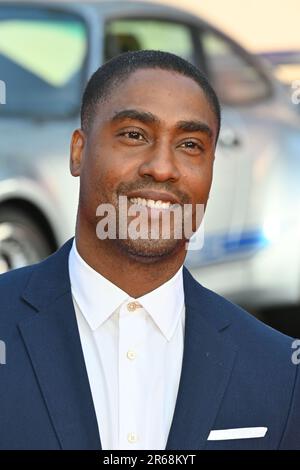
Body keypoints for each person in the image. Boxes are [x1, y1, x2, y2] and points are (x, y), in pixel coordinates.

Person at [0, 50, 299, 450]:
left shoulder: (279, 370)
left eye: (190, 144)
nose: (161, 167)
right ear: (78, 151)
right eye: (134, 135)